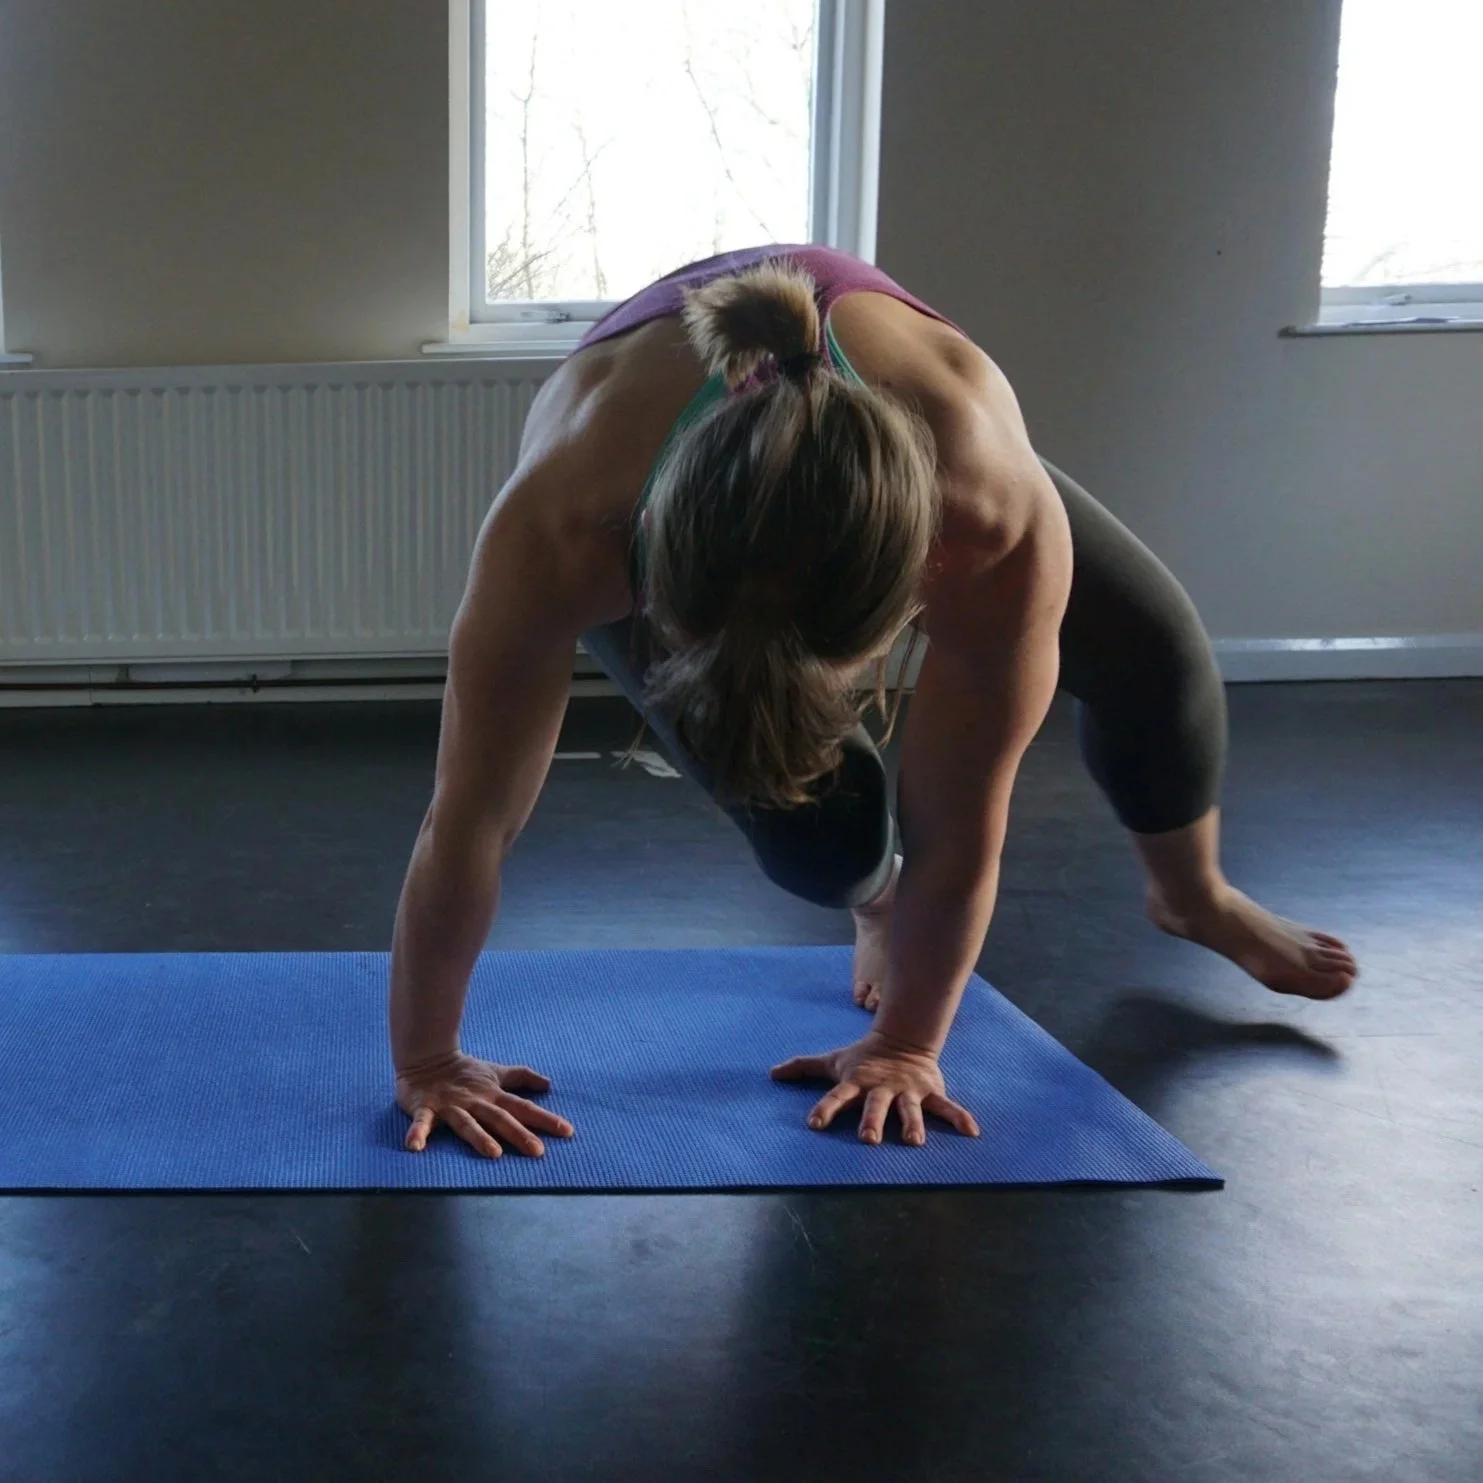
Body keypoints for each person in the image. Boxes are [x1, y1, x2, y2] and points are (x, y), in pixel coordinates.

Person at [388, 244, 1359, 1160]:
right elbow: (468, 819)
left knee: (1156, 652)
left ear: (917, 585)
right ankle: (876, 901)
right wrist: (428, 1060)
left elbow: (961, 826)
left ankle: (1193, 895)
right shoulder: (566, 529)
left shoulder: (987, 517)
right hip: (661, 471)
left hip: (902, 434)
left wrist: (905, 1045)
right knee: (820, 830)